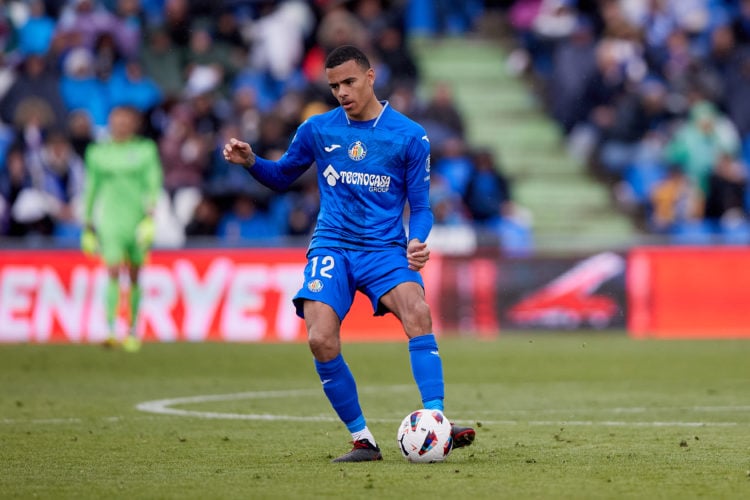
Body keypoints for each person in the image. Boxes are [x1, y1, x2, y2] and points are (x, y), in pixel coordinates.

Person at [223, 45, 475, 462]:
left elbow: (423, 206)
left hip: (384, 249)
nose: (341, 91)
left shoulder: (410, 135)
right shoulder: (317, 130)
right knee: (320, 339)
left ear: (371, 77)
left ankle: (435, 420)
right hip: (333, 245)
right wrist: (252, 162)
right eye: (334, 85)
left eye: (349, 82)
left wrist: (418, 239)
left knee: (417, 311)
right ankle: (363, 440)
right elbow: (282, 176)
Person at [81, 106, 163, 352]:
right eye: (116, 121)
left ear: (134, 124)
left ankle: (132, 329)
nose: (121, 125)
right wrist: (87, 225)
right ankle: (110, 329)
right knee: (114, 270)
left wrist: (149, 217)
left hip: (136, 220)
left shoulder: (145, 150)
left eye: (125, 121)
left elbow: (153, 182)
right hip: (111, 221)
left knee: (135, 273)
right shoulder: (97, 153)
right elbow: (91, 188)